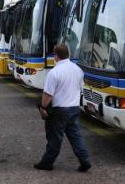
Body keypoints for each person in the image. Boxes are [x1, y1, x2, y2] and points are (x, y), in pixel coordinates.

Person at [35, 43, 91, 172]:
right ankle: (85, 160)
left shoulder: (54, 72)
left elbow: (48, 94)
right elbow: (80, 89)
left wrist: (43, 107)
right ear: (68, 54)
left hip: (59, 110)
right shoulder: (78, 70)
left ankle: (47, 162)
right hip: (74, 108)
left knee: (55, 137)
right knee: (75, 136)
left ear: (56, 56)